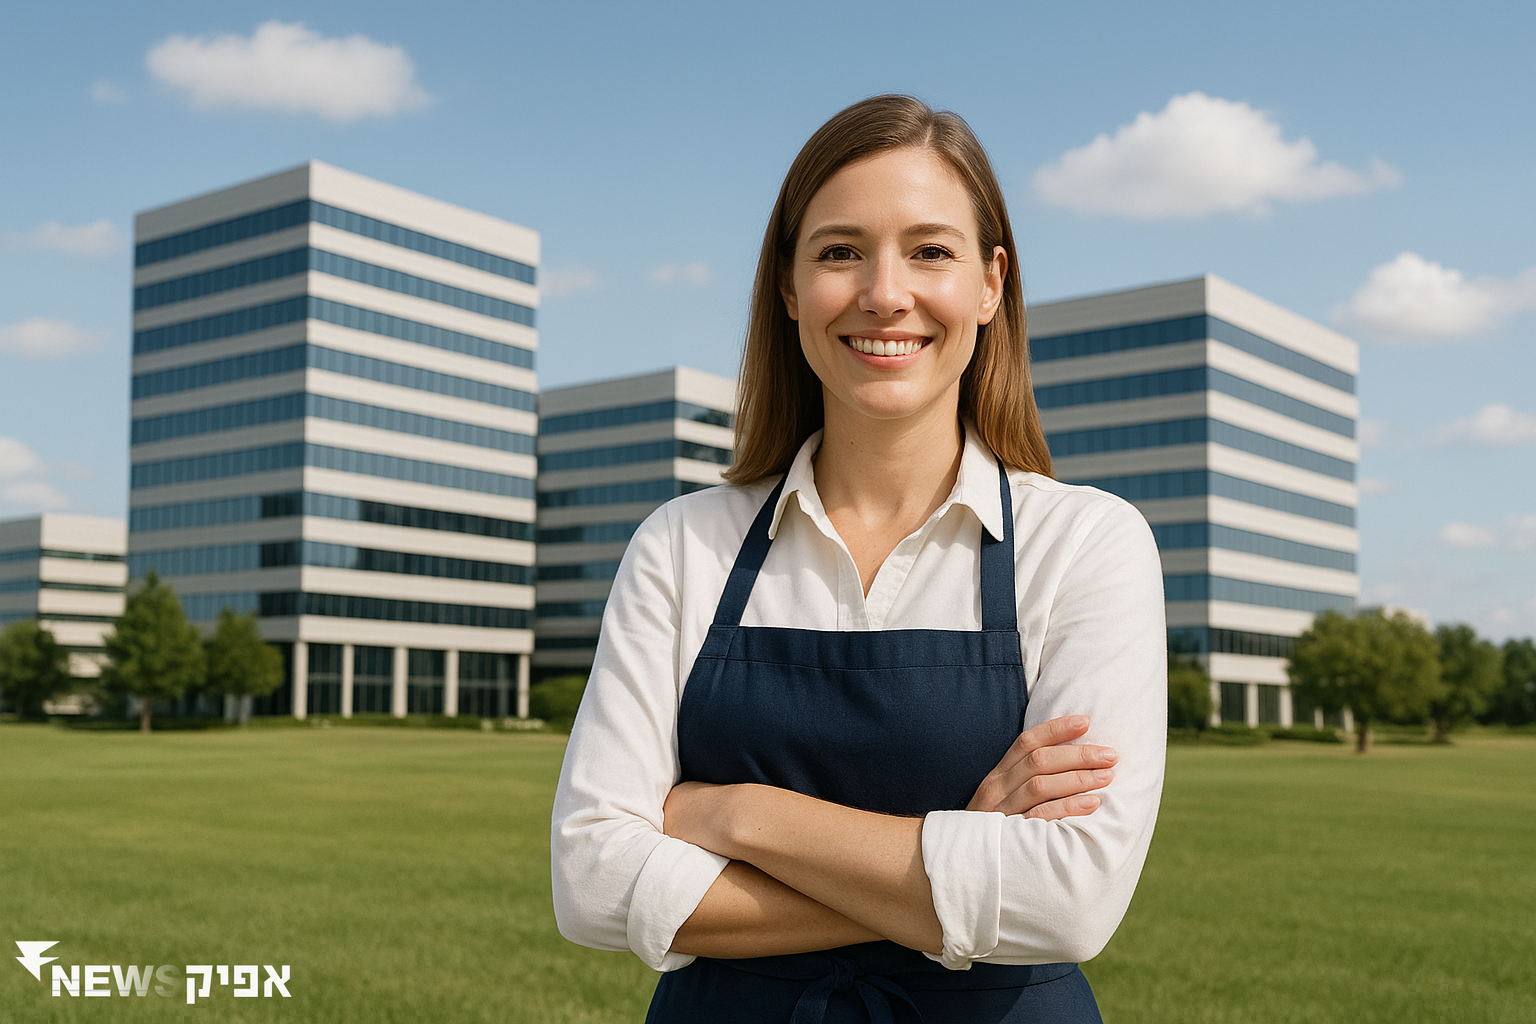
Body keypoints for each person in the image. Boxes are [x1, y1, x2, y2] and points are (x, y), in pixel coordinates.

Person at [551, 94, 1166, 1023]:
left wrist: (736, 818)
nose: (886, 292)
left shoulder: (1086, 543)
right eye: (840, 251)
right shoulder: (683, 545)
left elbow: (1067, 902)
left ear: (992, 285)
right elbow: (592, 880)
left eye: (930, 251)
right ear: (791, 288)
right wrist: (956, 862)